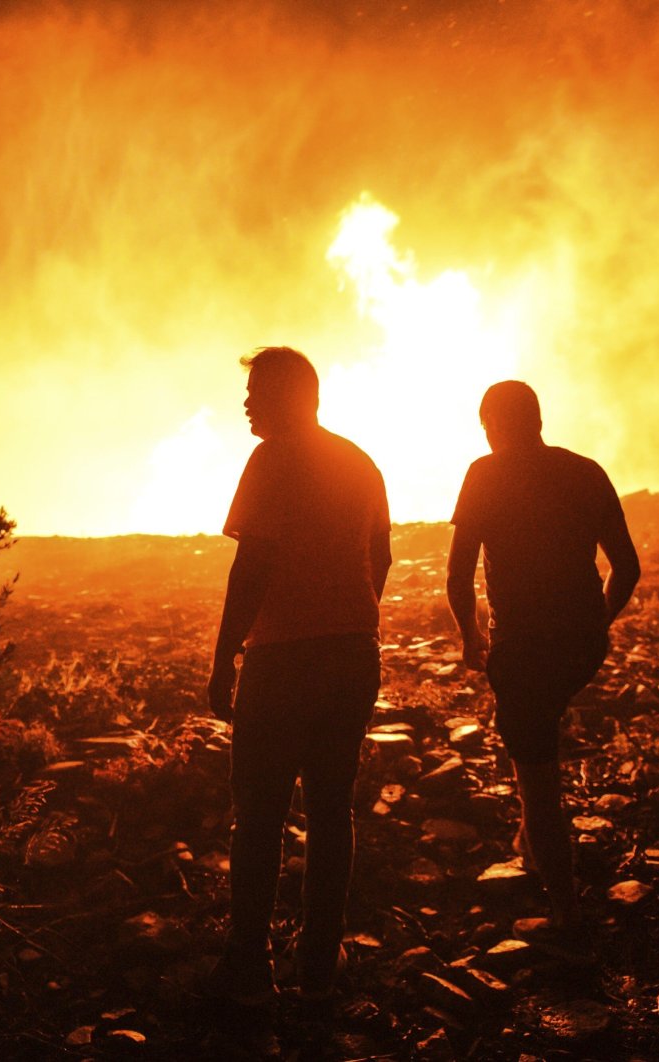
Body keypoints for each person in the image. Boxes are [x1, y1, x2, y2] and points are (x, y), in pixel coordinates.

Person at [206, 346, 392, 1005]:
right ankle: (319, 962)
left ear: (298, 395)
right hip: (350, 655)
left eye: (260, 391)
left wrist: (225, 656)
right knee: (331, 810)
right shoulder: (359, 463)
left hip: (283, 660)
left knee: (258, 814)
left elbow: (251, 567)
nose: (249, 403)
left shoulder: (271, 460)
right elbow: (382, 555)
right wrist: (351, 615)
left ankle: (247, 962)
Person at [446, 380, 639, 935]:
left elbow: (458, 575)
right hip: (580, 645)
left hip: (522, 648)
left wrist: (470, 637)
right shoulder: (586, 470)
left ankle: (567, 915)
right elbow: (626, 568)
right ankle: (531, 845)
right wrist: (595, 624)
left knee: (537, 775)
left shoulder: (484, 474)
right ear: (536, 418)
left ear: (491, 423)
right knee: (538, 728)